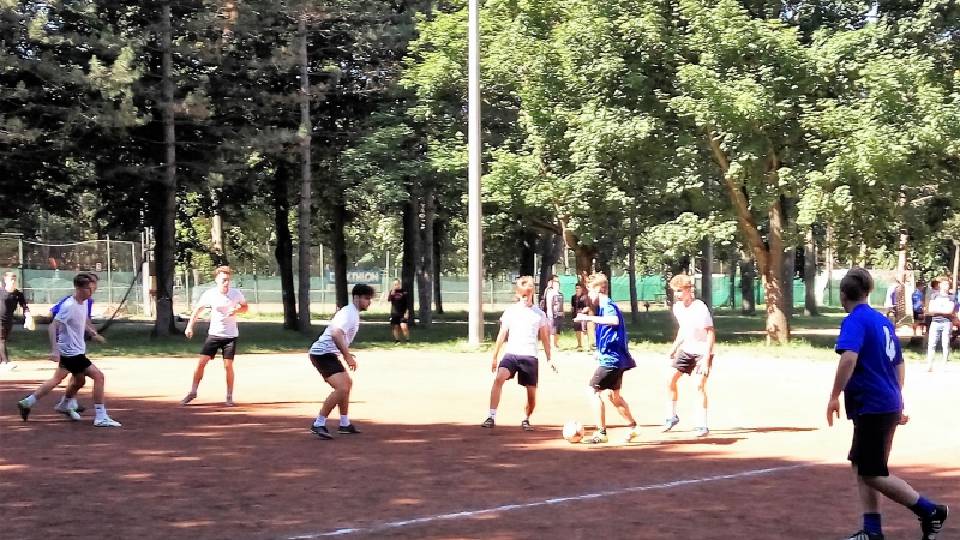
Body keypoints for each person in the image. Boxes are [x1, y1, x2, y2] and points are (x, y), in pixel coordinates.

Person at [827, 268, 948, 540]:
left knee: (872, 472)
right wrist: (896, 398)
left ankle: (930, 510)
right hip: (882, 402)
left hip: (873, 404)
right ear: (867, 292)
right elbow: (899, 364)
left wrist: (834, 396)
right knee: (862, 465)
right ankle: (872, 530)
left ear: (843, 295)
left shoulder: (855, 320)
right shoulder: (881, 321)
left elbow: (848, 358)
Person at [16, 273, 121, 427]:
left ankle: (29, 402)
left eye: (94, 288)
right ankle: (100, 416)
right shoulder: (69, 306)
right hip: (72, 353)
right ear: (80, 288)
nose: (93, 292)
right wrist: (55, 350)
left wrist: (93, 333)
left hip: (74, 350)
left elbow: (83, 320)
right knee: (98, 377)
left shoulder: (84, 302)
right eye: (90, 289)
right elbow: (53, 326)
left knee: (73, 380)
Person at [482, 275, 555, 431]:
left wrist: (550, 358)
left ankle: (526, 419)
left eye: (527, 294)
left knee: (531, 395)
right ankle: (491, 416)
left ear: (532, 293)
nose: (525, 297)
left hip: (530, 356)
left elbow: (545, 338)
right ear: (517, 294)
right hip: (511, 354)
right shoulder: (510, 312)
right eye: (522, 294)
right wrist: (494, 357)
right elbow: (502, 334)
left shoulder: (539, 314)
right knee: (499, 378)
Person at [573, 273, 639, 444]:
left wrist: (587, 318)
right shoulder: (602, 307)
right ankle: (633, 427)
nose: (589, 296)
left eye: (590, 291)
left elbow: (613, 320)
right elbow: (609, 331)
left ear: (597, 289)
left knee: (592, 391)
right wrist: (599, 350)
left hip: (612, 360)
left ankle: (601, 433)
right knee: (613, 396)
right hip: (616, 358)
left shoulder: (607, 305)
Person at [307, 283, 374, 439]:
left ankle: (344, 423)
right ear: (356, 297)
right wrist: (347, 356)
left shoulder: (353, 313)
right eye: (366, 298)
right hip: (322, 354)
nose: (369, 302)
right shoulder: (348, 313)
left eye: (370, 298)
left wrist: (346, 353)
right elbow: (336, 333)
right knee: (342, 387)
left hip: (329, 354)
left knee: (347, 384)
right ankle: (318, 423)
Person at [181, 266, 248, 406]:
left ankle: (229, 396)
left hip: (230, 336)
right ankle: (193, 391)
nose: (226, 282)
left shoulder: (236, 293)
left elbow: (245, 307)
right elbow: (197, 310)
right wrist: (189, 326)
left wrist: (237, 310)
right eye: (223, 280)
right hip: (214, 335)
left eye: (228, 280)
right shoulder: (210, 294)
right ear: (217, 280)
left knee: (228, 366)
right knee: (201, 363)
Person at [664, 274, 715, 438]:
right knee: (670, 380)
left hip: (702, 352)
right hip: (686, 350)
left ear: (689, 290)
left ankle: (702, 425)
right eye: (675, 291)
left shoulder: (700, 307)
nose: (677, 294)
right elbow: (684, 329)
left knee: (699, 385)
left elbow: (710, 332)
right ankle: (672, 416)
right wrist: (674, 348)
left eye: (680, 290)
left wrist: (706, 359)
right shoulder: (677, 308)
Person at [1, 271, 30, 370]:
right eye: (11, 279)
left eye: (14, 279)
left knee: (3, 340)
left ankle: (2, 362)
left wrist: (28, 317)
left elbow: (24, 306)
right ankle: (5, 362)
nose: (13, 281)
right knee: (1, 340)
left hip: (9, 320)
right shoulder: (0, 291)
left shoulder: (18, 294)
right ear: (5, 280)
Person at [924, 277, 954, 372]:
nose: (945, 286)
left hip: (946, 322)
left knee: (945, 344)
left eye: (947, 284)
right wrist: (943, 309)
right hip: (935, 322)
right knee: (932, 343)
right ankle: (930, 365)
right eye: (944, 284)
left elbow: (950, 310)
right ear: (940, 285)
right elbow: (931, 309)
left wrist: (938, 309)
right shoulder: (934, 295)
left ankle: (944, 365)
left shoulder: (951, 297)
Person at [387, 280, 410, 344]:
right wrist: (391, 294)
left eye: (397, 284)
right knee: (395, 327)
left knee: (404, 326)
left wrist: (407, 312)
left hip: (402, 312)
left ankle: (408, 340)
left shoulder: (404, 292)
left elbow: (407, 303)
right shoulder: (392, 292)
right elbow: (389, 300)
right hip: (394, 312)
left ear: (400, 284)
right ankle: (397, 340)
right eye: (395, 284)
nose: (396, 285)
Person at [544, 275, 564, 350]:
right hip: (551, 314)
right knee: (552, 330)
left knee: (557, 330)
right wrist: (550, 313)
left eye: (558, 283)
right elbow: (548, 304)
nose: (557, 285)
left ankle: (556, 344)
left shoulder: (560, 294)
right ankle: (552, 344)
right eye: (555, 283)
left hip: (559, 314)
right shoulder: (549, 292)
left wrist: (563, 312)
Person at [571, 282, 591, 351]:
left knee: (584, 331)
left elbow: (587, 307)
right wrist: (573, 315)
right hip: (576, 316)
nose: (577, 289)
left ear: (582, 289)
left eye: (578, 288)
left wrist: (582, 312)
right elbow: (572, 307)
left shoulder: (585, 297)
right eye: (576, 288)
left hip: (583, 316)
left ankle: (586, 346)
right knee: (577, 330)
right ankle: (579, 345)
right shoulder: (573, 297)